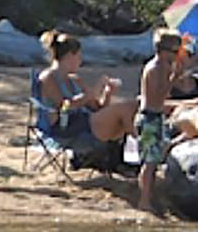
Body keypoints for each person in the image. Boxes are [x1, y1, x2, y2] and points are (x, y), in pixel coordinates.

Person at [38, 29, 137, 169]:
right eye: (79, 55)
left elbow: (98, 108)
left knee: (130, 108)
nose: (80, 60)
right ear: (69, 56)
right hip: (64, 129)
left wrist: (107, 93)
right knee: (124, 109)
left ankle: (117, 161)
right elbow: (64, 106)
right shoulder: (48, 78)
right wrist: (93, 91)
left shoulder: (75, 80)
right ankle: (144, 154)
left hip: (86, 122)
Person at [136, 28, 182, 212]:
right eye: (175, 52)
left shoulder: (164, 67)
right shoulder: (155, 68)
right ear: (164, 50)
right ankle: (144, 200)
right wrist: (174, 78)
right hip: (148, 118)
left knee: (154, 160)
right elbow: (157, 96)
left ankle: (149, 197)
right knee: (149, 162)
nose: (176, 56)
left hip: (155, 116)